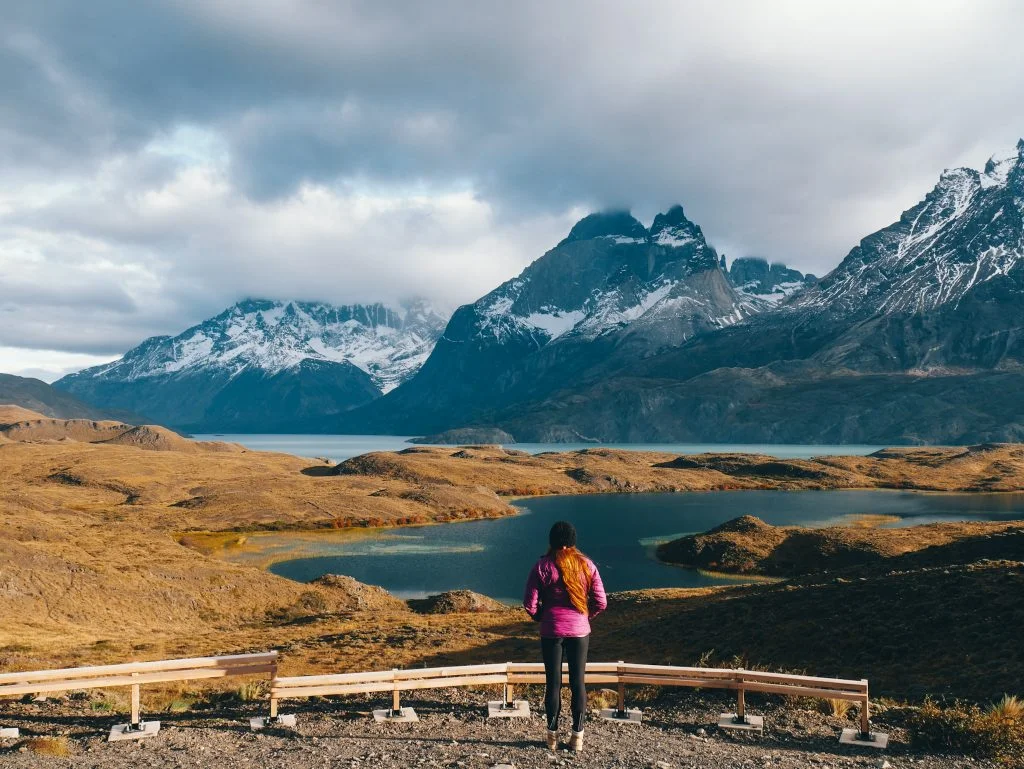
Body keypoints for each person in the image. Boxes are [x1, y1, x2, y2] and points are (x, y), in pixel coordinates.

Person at [522, 520, 607, 753]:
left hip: (551, 631)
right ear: (572, 541)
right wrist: (585, 616)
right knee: (578, 682)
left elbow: (529, 604)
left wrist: (543, 617)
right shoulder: (587, 565)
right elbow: (601, 602)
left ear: (551, 541)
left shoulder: (542, 566)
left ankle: (552, 736)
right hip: (579, 631)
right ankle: (577, 736)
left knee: (553, 683)